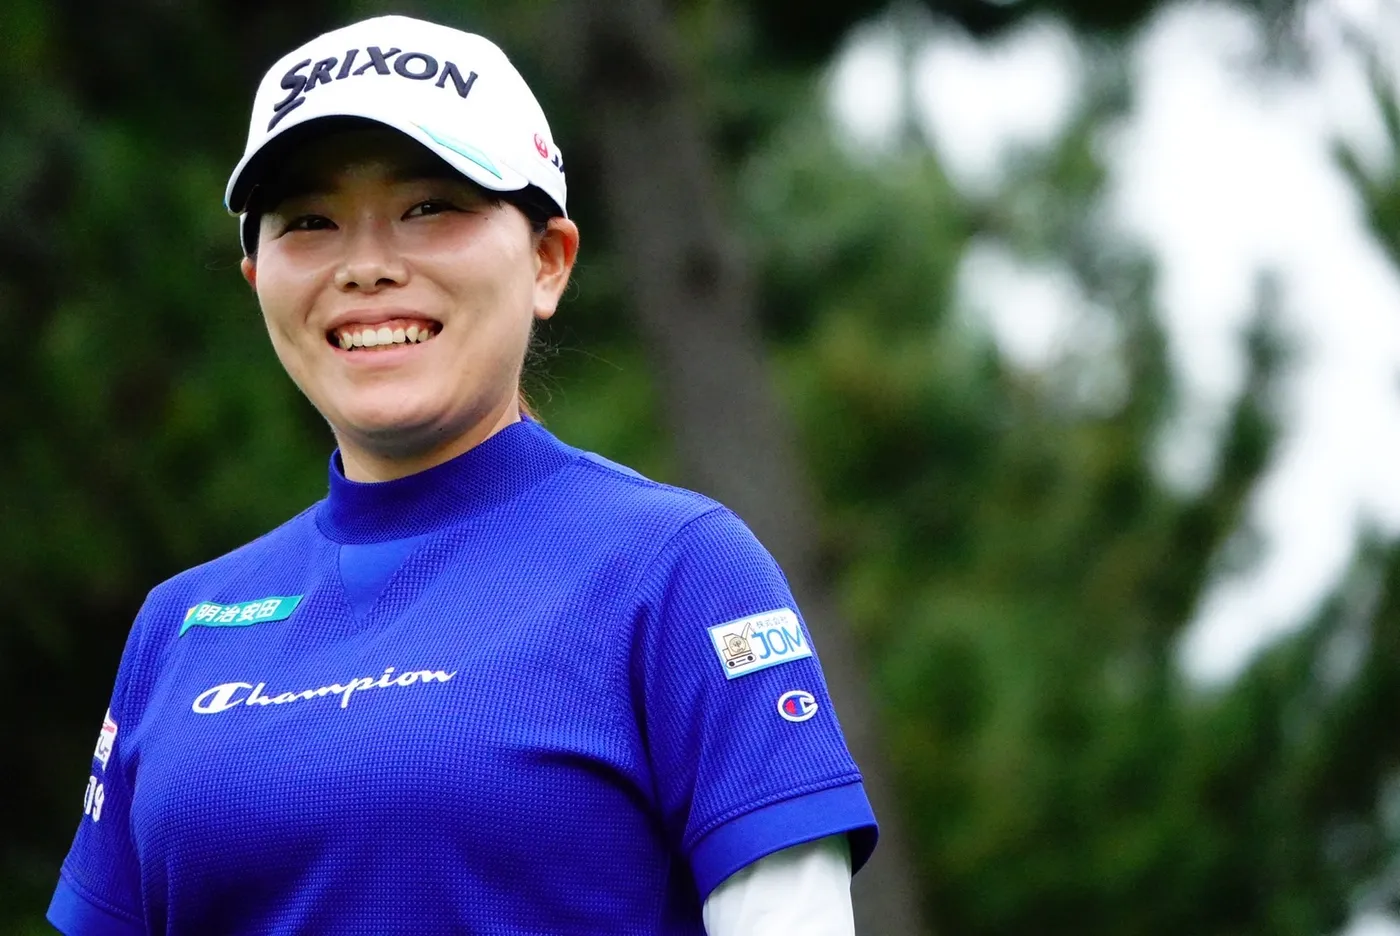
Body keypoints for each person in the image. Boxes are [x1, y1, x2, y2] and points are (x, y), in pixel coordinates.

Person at [47, 14, 877, 936]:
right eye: (310, 222)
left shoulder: (677, 571)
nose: (366, 267)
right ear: (258, 280)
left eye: (430, 207)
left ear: (548, 262)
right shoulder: (179, 628)